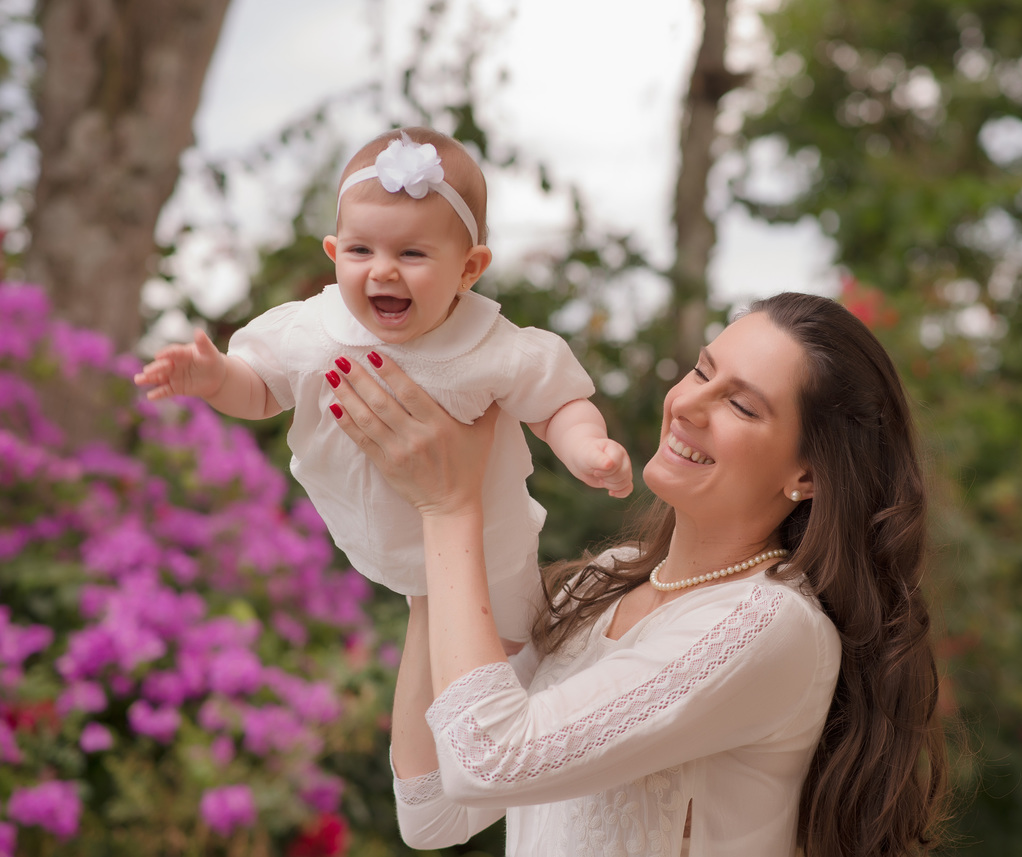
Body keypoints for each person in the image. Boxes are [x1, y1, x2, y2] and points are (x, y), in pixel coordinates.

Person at [326, 292, 949, 856]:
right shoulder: (602, 584)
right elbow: (431, 808)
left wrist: (450, 507)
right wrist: (421, 544)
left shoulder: (770, 625)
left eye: (740, 405)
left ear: (807, 476)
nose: (689, 405)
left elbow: (488, 762)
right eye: (702, 371)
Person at [135, 128, 633, 646]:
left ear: (469, 269)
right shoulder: (313, 330)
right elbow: (261, 389)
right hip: (375, 529)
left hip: (485, 545)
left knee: (510, 650)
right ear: (333, 253)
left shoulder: (489, 345)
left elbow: (557, 404)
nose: (383, 270)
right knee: (425, 641)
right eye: (360, 250)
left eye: (412, 254)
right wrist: (218, 379)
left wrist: (584, 447)